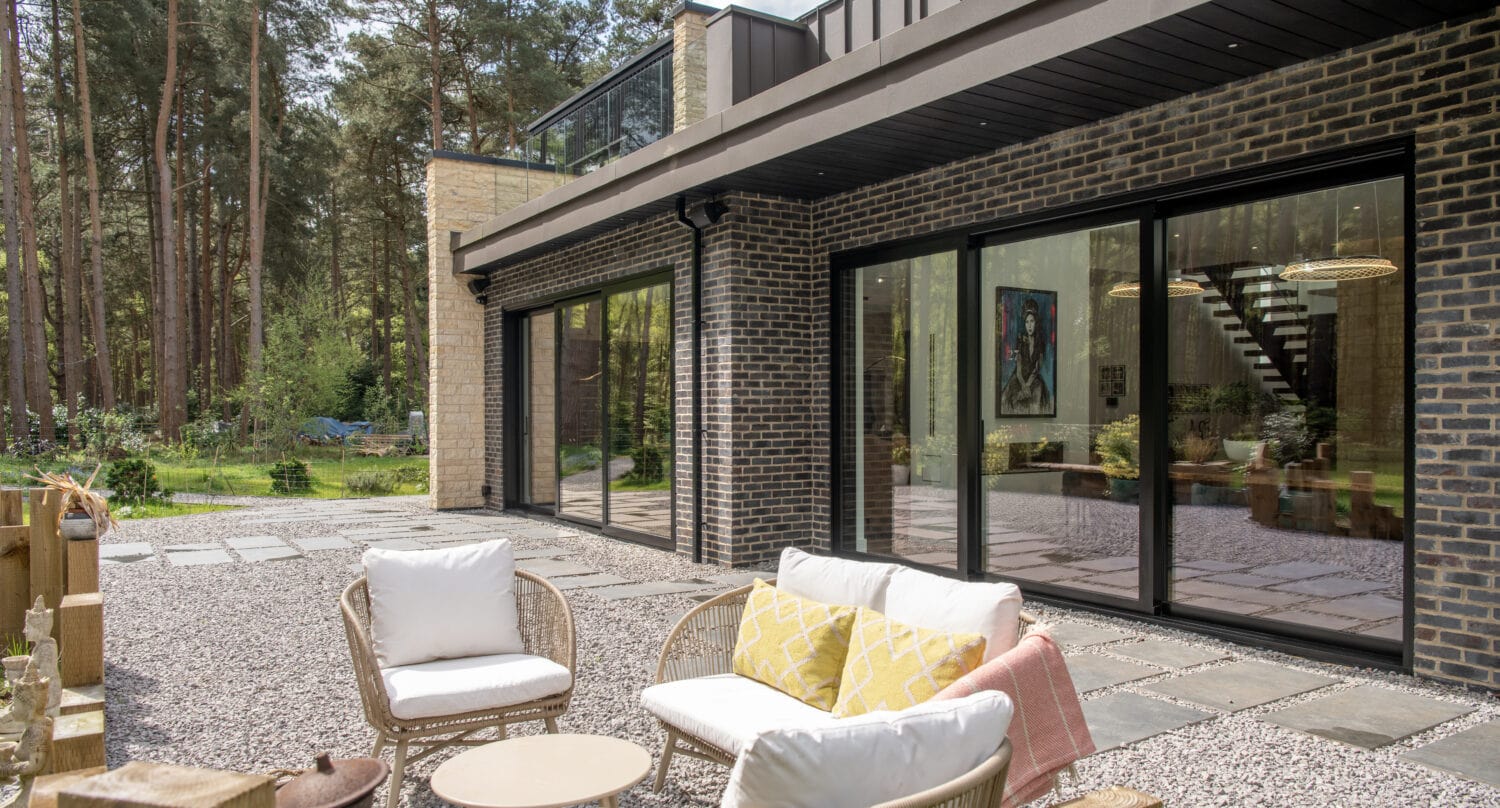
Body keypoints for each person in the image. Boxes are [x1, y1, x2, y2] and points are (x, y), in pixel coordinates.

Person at [1001, 297, 1053, 415]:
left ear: (1036, 322)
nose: (1029, 326)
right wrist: (1023, 385)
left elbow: (1037, 368)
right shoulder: (1021, 340)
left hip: (1033, 378)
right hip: (1019, 377)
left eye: (1032, 321)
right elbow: (1018, 367)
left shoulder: (1040, 342)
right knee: (1004, 399)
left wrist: (1028, 384)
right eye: (1027, 322)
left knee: (1036, 402)